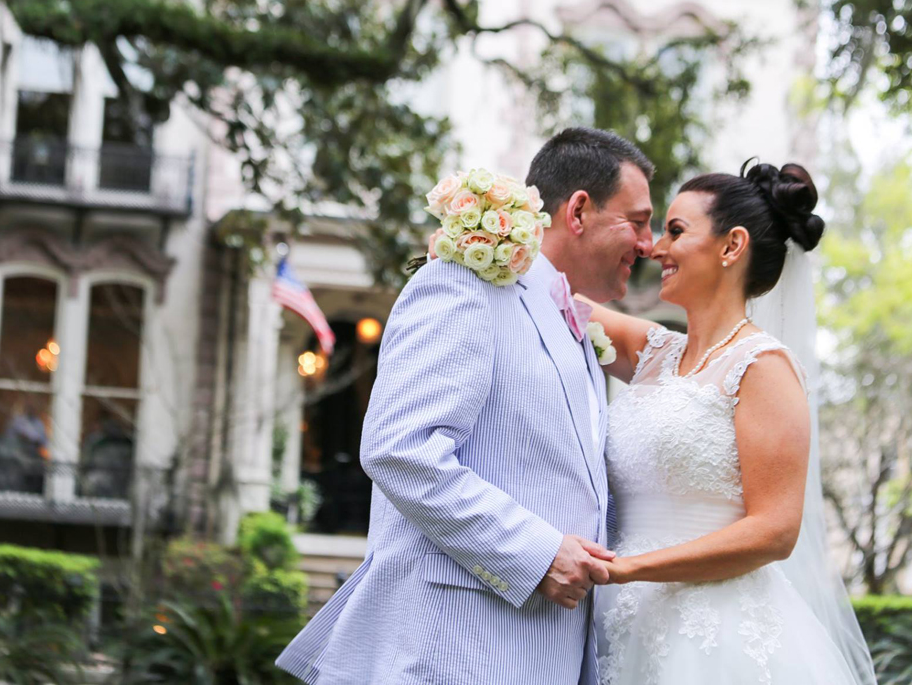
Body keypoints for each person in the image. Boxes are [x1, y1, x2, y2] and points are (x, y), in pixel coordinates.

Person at [275, 128, 655, 684]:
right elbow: (400, 448)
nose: (647, 244)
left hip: (548, 653)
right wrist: (539, 554)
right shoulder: (464, 283)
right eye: (639, 221)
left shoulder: (578, 329)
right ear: (578, 211)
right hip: (455, 648)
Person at [586, 161, 877, 684]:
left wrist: (629, 569)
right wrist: (486, 233)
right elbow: (559, 300)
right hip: (622, 620)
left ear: (731, 245)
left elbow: (773, 531)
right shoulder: (652, 352)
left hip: (715, 637)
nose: (654, 248)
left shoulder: (762, 367)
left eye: (676, 231)